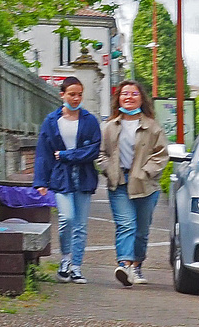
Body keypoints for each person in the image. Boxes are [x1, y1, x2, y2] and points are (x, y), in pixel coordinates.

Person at [97, 80, 170, 287]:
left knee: (141, 229)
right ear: (118, 98)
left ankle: (137, 265)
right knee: (125, 225)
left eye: (134, 93)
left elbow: (161, 155)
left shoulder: (152, 127)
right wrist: (108, 170)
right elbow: (101, 154)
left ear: (141, 98)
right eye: (124, 94)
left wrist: (146, 173)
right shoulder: (110, 127)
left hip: (145, 185)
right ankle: (125, 265)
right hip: (119, 182)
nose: (129, 97)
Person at [33, 77, 100, 283]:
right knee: (67, 219)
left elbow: (93, 151)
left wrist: (65, 155)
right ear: (62, 94)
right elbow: (43, 152)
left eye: (79, 94)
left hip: (84, 177)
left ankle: (77, 266)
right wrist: (41, 181)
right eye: (72, 94)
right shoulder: (52, 121)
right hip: (61, 178)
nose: (76, 98)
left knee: (80, 225)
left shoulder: (90, 120)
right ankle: (65, 258)